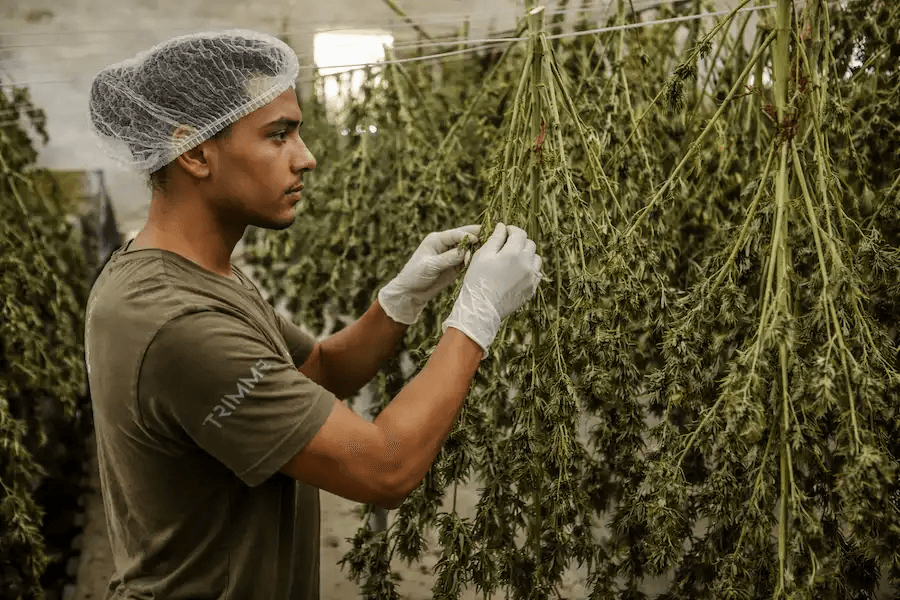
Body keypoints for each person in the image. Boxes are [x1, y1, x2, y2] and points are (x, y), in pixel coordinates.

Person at [84, 29, 542, 600]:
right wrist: (476, 317)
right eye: (278, 136)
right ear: (195, 151)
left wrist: (401, 299)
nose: (308, 157)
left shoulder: (198, 274)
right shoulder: (176, 322)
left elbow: (318, 370)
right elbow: (384, 470)